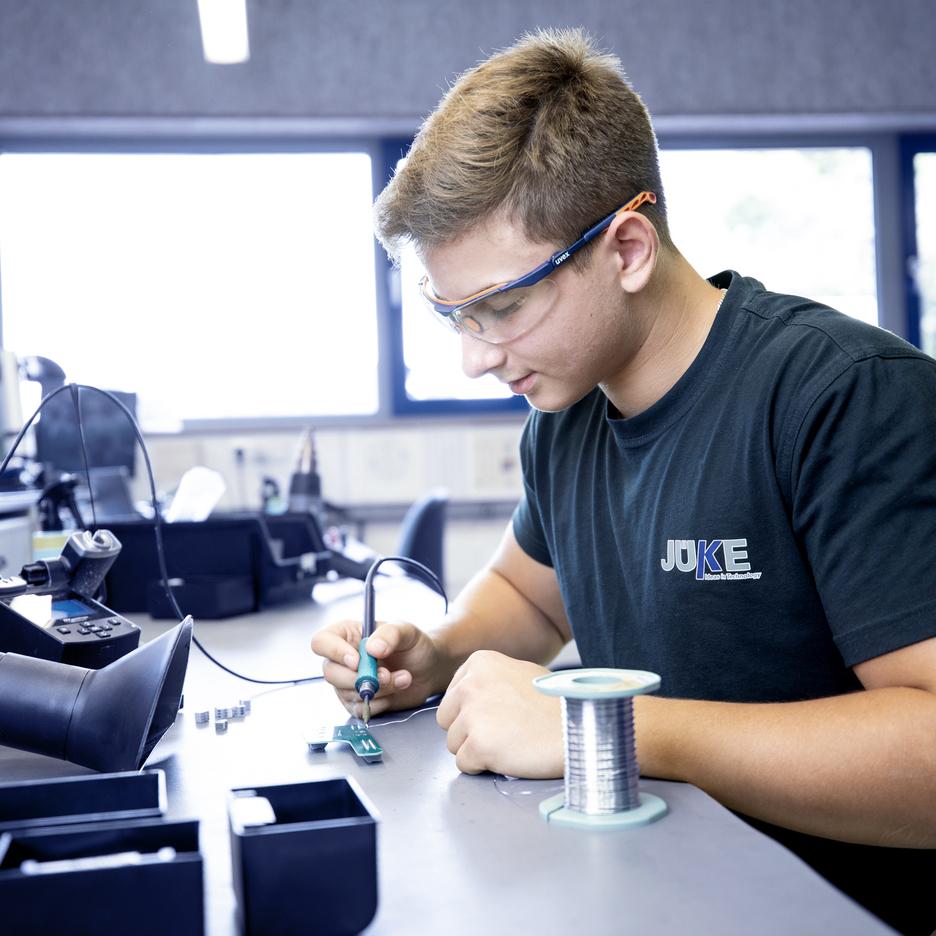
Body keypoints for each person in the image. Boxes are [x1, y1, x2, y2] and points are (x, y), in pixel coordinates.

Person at [311, 28, 936, 935]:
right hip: (653, 896)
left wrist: (608, 727)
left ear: (629, 249)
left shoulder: (844, 398)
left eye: (503, 308)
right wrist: (432, 655)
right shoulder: (565, 415)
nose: (475, 358)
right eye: (453, 316)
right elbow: (530, 595)